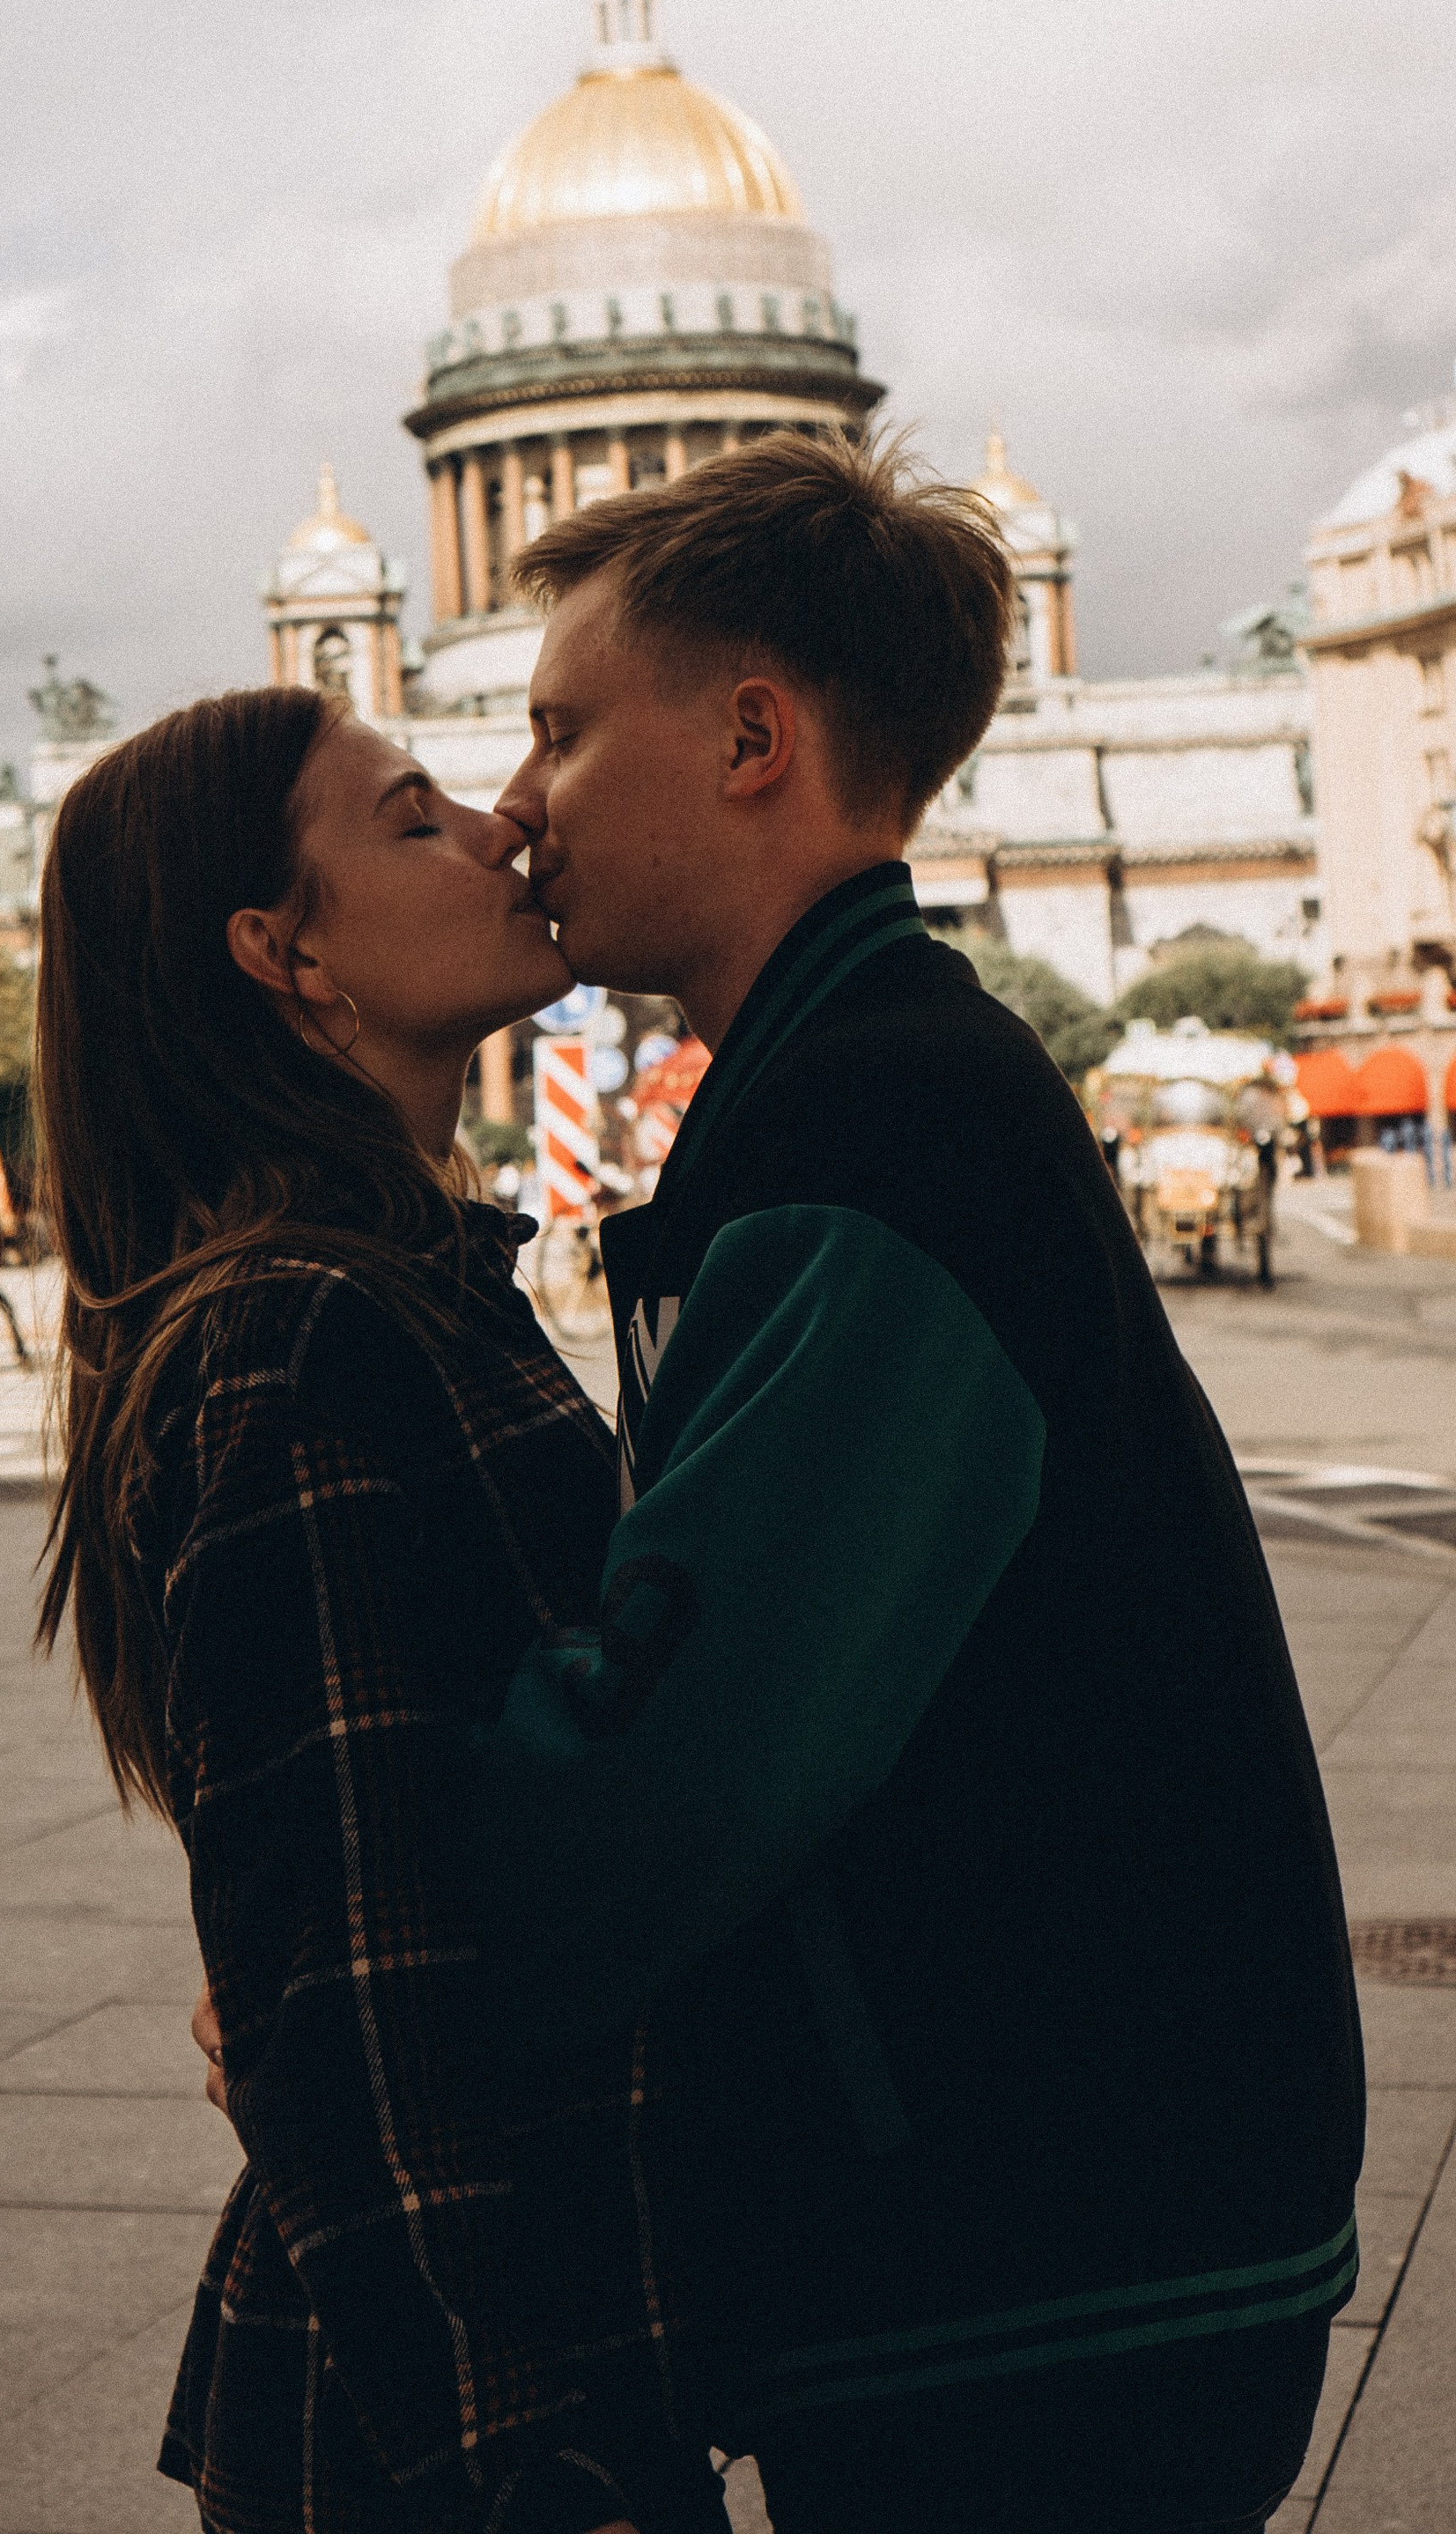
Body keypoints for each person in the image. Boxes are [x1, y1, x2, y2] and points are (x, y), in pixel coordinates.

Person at [477, 430, 1362, 2534]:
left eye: (561, 733)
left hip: (1038, 2247)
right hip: (1056, 2205)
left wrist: (371, 1912)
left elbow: (681, 1759)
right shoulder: (867, 1081)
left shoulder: (868, 1134)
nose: (516, 803)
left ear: (753, 738)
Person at [32, 688, 722, 2534]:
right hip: (465, 2418)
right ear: (286, 952)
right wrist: (520, 2462)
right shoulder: (307, 1330)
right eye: (412, 819)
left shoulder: (388, 1283)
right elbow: (341, 1976)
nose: (502, 825)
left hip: (484, 2367)